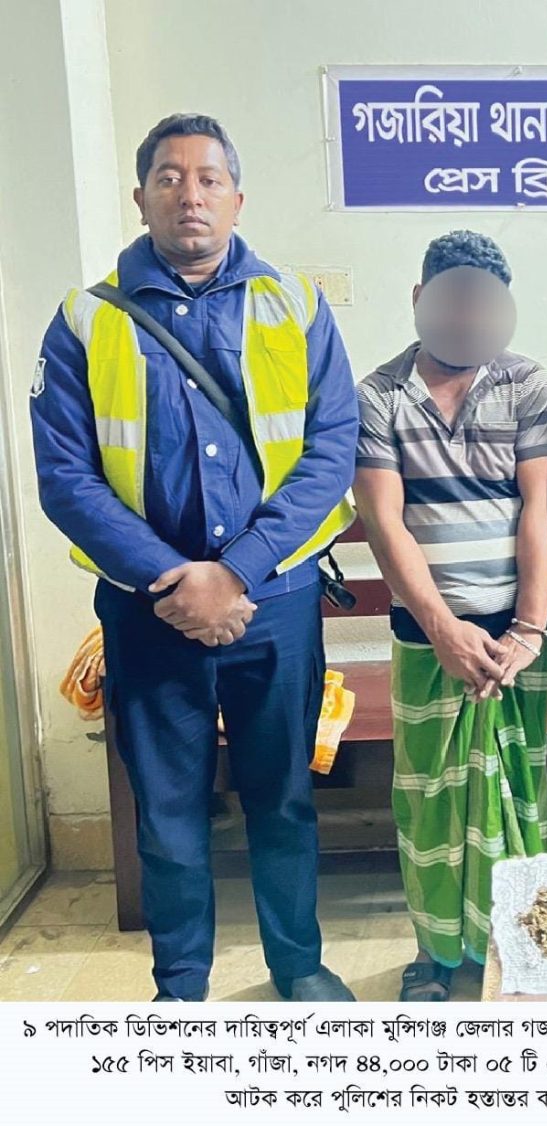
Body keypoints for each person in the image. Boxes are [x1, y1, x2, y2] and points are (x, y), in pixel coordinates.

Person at [30, 113, 359, 1002]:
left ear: (237, 198)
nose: (190, 194)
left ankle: (298, 965)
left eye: (209, 178)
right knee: (168, 809)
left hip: (274, 605)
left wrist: (237, 571)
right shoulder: (86, 320)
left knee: (281, 797)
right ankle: (180, 987)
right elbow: (66, 477)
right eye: (169, 178)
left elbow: (331, 449)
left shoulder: (295, 305)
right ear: (140, 198)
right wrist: (175, 580)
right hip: (150, 610)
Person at [352, 231, 547, 1001]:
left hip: (515, 641)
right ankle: (436, 954)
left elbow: (539, 511)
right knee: (431, 800)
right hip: (426, 637)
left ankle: (521, 948)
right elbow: (385, 522)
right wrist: (442, 629)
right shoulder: (377, 395)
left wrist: (528, 629)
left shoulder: (528, 385)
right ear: (419, 300)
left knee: (518, 793)